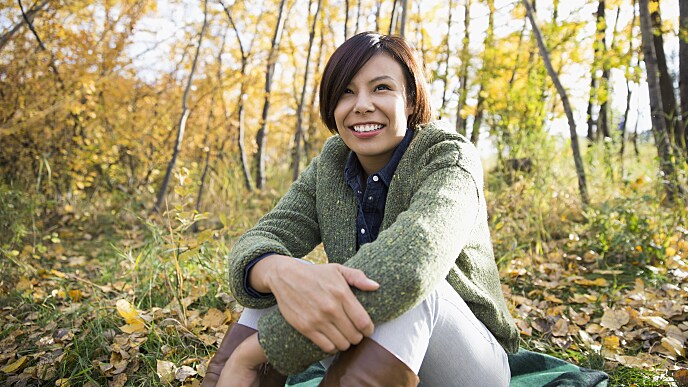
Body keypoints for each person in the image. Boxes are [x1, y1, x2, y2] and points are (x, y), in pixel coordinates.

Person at [202, 31, 519, 387]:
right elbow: (260, 238)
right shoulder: (331, 164)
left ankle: (247, 367)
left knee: (411, 289)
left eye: (381, 88)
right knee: (290, 277)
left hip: (467, 360)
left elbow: (413, 263)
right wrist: (278, 271)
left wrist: (259, 350)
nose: (362, 105)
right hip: (369, 345)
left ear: (411, 100)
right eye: (346, 92)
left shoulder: (448, 158)